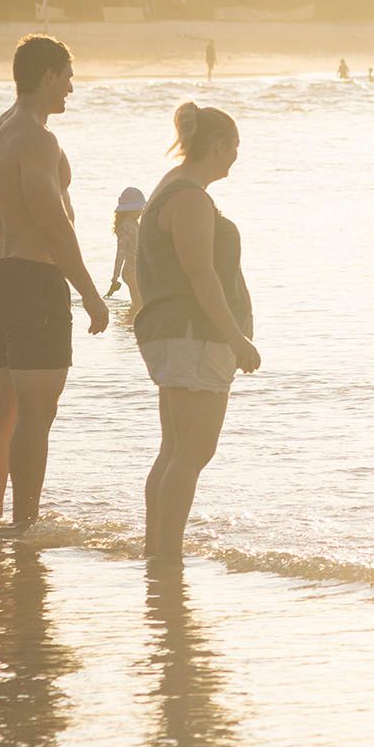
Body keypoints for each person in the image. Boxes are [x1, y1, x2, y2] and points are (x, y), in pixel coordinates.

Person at [0, 35, 112, 526]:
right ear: (48, 76)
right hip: (32, 282)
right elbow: (52, 223)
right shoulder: (36, 138)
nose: (71, 88)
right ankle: (24, 528)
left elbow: (3, 212)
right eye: (67, 77)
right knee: (36, 416)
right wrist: (90, 294)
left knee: (4, 411)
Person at [136, 102, 262, 565]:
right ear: (218, 145)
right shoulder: (189, 197)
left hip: (175, 333)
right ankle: (167, 557)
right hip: (194, 335)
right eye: (235, 146)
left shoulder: (173, 186)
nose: (237, 157)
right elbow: (201, 276)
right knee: (192, 452)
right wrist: (237, 339)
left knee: (175, 450)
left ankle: (157, 551)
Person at [107, 186, 147, 304]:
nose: (141, 212)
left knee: (139, 304)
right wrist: (115, 277)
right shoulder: (125, 227)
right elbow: (121, 253)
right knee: (139, 304)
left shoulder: (134, 224)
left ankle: (131, 315)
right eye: (139, 209)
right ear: (130, 210)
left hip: (136, 271)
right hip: (131, 272)